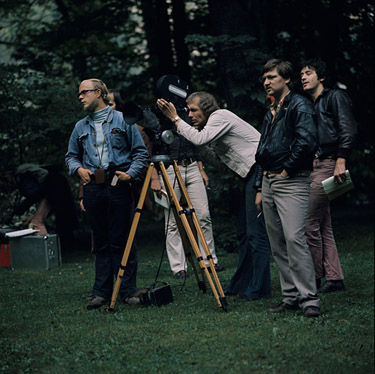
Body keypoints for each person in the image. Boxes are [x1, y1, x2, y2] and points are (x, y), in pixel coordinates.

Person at [156, 92, 271, 301]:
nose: (189, 115)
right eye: (188, 110)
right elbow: (219, 163)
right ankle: (240, 284)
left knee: (256, 234)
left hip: (260, 170)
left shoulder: (220, 116)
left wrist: (175, 118)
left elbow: (200, 138)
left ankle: (259, 288)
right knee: (244, 234)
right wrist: (197, 143)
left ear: (207, 108)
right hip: (249, 176)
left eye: (194, 110)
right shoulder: (212, 128)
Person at [65, 78, 149, 310]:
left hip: (118, 184)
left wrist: (130, 175)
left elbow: (140, 153)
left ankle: (128, 290)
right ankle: (101, 293)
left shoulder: (124, 120)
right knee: (99, 240)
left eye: (84, 93)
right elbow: (70, 156)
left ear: (99, 92)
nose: (80, 97)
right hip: (93, 185)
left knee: (122, 240)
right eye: (79, 94)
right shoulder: (80, 127)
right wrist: (78, 169)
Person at [255, 59, 321, 317]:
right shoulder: (271, 110)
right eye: (264, 78)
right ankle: (291, 296)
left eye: (271, 77)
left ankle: (309, 299)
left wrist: (286, 170)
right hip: (270, 182)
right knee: (278, 243)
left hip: (292, 180)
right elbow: (262, 151)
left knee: (295, 239)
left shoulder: (299, 104)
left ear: (286, 79)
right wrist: (261, 186)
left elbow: (307, 142)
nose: (266, 82)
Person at [301, 58, 357, 293]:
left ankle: (314, 277)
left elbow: (348, 128)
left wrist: (340, 159)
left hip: (329, 162)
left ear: (321, 77)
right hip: (315, 164)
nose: (303, 77)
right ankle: (335, 278)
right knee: (323, 224)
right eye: (301, 74)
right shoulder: (309, 104)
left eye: (308, 73)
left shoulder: (334, 97)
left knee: (309, 222)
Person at [150, 131, 224, 279]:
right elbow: (150, 151)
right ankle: (179, 267)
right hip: (168, 169)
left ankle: (209, 260)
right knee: (172, 221)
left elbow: (195, 145)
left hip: (192, 167)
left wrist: (201, 170)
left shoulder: (184, 117)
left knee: (203, 214)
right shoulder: (157, 120)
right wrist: (154, 178)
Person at [0, 163, 78, 251]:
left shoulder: (22, 173)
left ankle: (46, 250)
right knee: (41, 220)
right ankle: (53, 248)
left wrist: (22, 208)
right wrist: (31, 216)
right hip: (53, 189)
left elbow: (37, 193)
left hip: (54, 187)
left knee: (38, 222)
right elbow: (40, 199)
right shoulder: (24, 180)